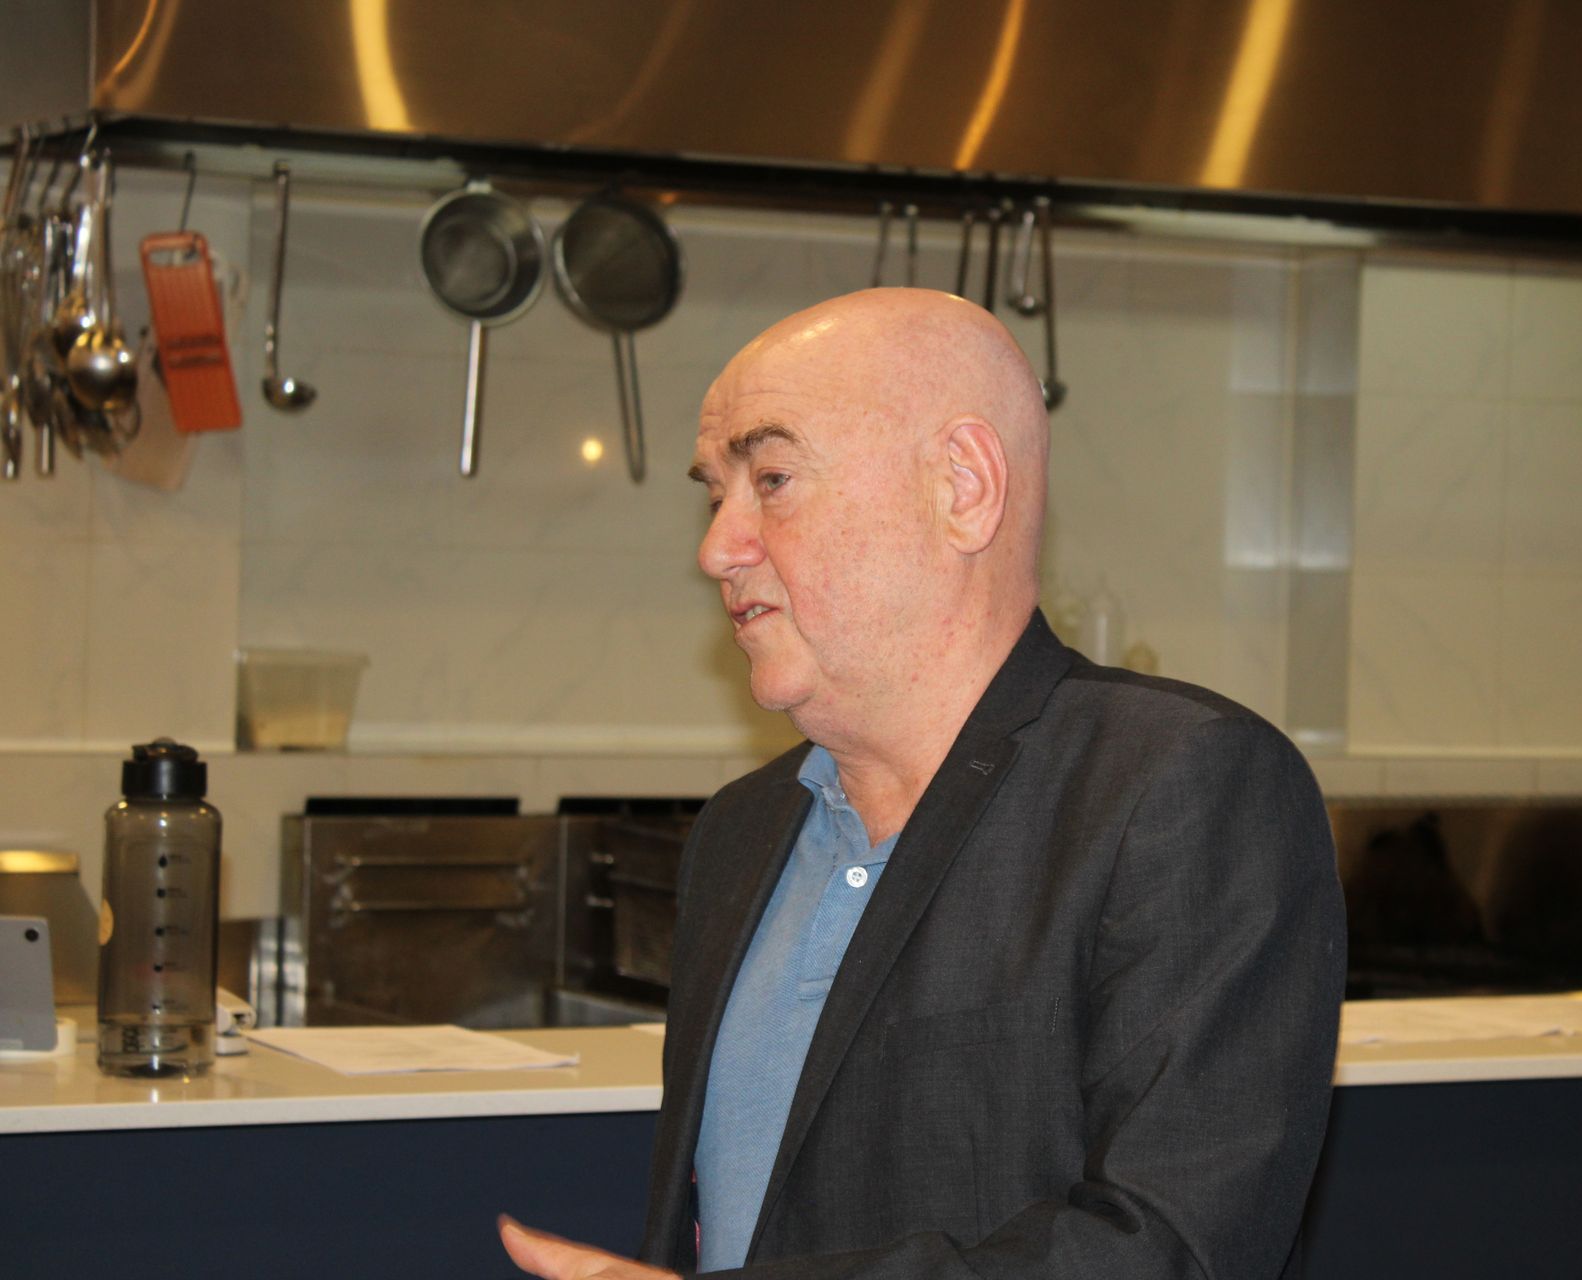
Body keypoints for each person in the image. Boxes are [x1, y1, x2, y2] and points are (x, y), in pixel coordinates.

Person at [500, 288, 1345, 1280]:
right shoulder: (741, 830)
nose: (716, 546)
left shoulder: (1178, 786)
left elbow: (1174, 1248)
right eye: (713, 493)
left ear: (965, 486)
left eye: (770, 478)